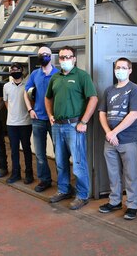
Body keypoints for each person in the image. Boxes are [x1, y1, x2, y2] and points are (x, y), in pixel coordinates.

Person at [45, 46, 98, 210]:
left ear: (74, 58)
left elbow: (93, 99)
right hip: (57, 126)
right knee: (60, 162)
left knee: (78, 162)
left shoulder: (82, 76)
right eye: (61, 57)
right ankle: (64, 190)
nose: (64, 60)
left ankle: (82, 195)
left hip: (74, 126)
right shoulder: (55, 78)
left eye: (68, 57)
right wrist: (50, 115)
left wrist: (83, 122)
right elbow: (48, 98)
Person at [98, 57, 137, 220]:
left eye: (124, 67)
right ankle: (115, 201)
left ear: (130, 70)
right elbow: (102, 113)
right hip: (110, 140)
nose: (120, 70)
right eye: (118, 67)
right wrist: (108, 133)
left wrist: (114, 132)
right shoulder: (109, 90)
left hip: (128, 140)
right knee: (113, 173)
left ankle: (132, 204)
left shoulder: (135, 89)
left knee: (130, 174)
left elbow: (134, 114)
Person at [24, 46, 59, 192]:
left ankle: (63, 183)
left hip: (54, 119)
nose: (43, 56)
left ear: (51, 56)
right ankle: (45, 180)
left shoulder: (58, 73)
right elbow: (26, 92)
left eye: (46, 54)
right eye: (41, 54)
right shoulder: (34, 74)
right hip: (38, 118)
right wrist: (30, 109)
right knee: (39, 153)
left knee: (60, 153)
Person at [3, 63, 33, 184]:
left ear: (22, 71)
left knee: (26, 148)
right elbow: (6, 102)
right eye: (12, 69)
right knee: (14, 149)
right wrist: (13, 113)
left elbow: (32, 101)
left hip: (26, 123)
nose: (15, 71)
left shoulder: (28, 86)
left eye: (17, 69)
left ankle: (29, 174)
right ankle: (16, 173)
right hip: (11, 124)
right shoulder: (6, 86)